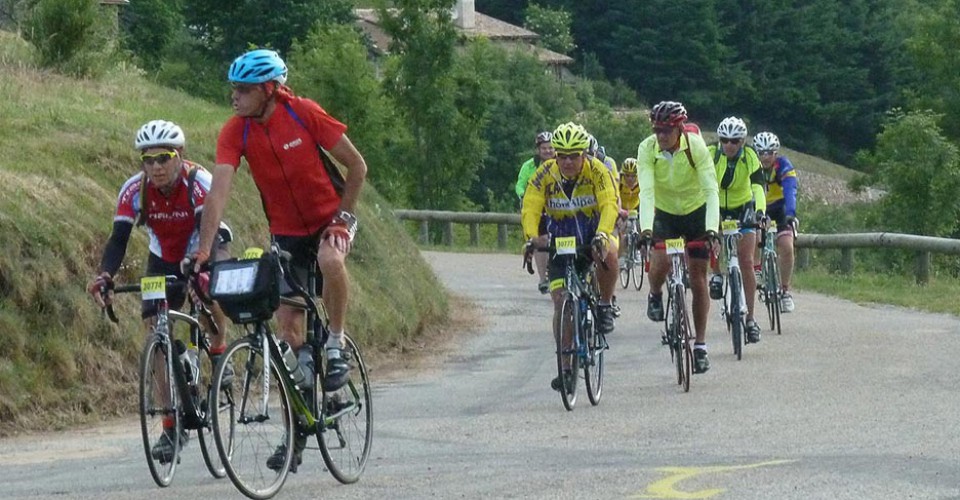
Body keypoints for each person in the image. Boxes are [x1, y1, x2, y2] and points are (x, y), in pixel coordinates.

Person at [194, 48, 368, 472]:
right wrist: (202, 251)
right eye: (233, 89)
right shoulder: (236, 131)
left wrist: (344, 219)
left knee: (330, 260)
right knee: (289, 329)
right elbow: (218, 193)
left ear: (269, 90)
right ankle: (297, 433)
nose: (235, 97)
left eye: (244, 90)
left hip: (330, 219)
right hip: (286, 231)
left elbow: (357, 166)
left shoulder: (303, 113)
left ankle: (337, 342)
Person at [86, 120, 233, 463]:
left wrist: (198, 266)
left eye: (164, 158)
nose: (156, 167)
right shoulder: (134, 190)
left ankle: (219, 350)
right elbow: (118, 239)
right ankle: (171, 426)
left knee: (209, 293)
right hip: (163, 255)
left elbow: (206, 229)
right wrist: (105, 275)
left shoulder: (198, 183)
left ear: (179, 155)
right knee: (155, 333)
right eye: (148, 160)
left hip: (207, 243)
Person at [521, 122, 619, 391]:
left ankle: (605, 305)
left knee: (611, 252)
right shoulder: (543, 175)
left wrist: (602, 234)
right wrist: (531, 237)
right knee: (560, 302)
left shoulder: (598, 172)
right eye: (561, 155)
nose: (566, 161)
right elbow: (530, 207)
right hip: (559, 242)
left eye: (573, 156)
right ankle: (565, 368)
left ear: (584, 155)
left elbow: (609, 204)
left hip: (592, 236)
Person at [637, 101, 719, 374]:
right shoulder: (647, 149)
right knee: (659, 261)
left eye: (667, 130)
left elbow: (711, 191)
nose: (661, 136)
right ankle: (655, 293)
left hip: (696, 211)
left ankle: (700, 345)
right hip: (664, 212)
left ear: (680, 128)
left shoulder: (696, 148)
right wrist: (646, 231)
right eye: (657, 130)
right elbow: (646, 192)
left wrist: (712, 230)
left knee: (698, 278)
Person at [707, 117, 766, 344]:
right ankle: (717, 274)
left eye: (735, 141)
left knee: (746, 261)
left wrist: (759, 211)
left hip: (743, 207)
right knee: (710, 237)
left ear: (742, 142)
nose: (729, 145)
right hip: (717, 206)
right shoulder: (711, 153)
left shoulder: (750, 156)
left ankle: (750, 319)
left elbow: (758, 186)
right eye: (725, 140)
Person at [754, 131, 798, 313]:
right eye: (761, 153)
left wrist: (791, 213)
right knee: (754, 235)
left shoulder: (784, 166)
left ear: (776, 153)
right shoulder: (751, 165)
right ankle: (756, 269)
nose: (765, 157)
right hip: (758, 207)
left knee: (786, 247)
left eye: (769, 153)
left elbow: (790, 190)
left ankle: (785, 290)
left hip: (780, 209)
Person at [515, 131, 556, 293]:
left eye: (550, 148)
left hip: (557, 206)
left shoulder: (561, 163)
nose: (547, 151)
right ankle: (543, 278)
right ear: (538, 150)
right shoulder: (529, 166)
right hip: (538, 208)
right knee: (541, 240)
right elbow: (520, 184)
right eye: (544, 148)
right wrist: (523, 195)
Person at [618, 157, 640, 264]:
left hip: (636, 207)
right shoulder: (619, 183)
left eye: (633, 176)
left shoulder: (642, 182)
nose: (630, 179)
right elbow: (614, 197)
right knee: (622, 229)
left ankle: (639, 250)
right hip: (622, 208)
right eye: (627, 175)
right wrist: (619, 210)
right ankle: (622, 255)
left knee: (643, 227)